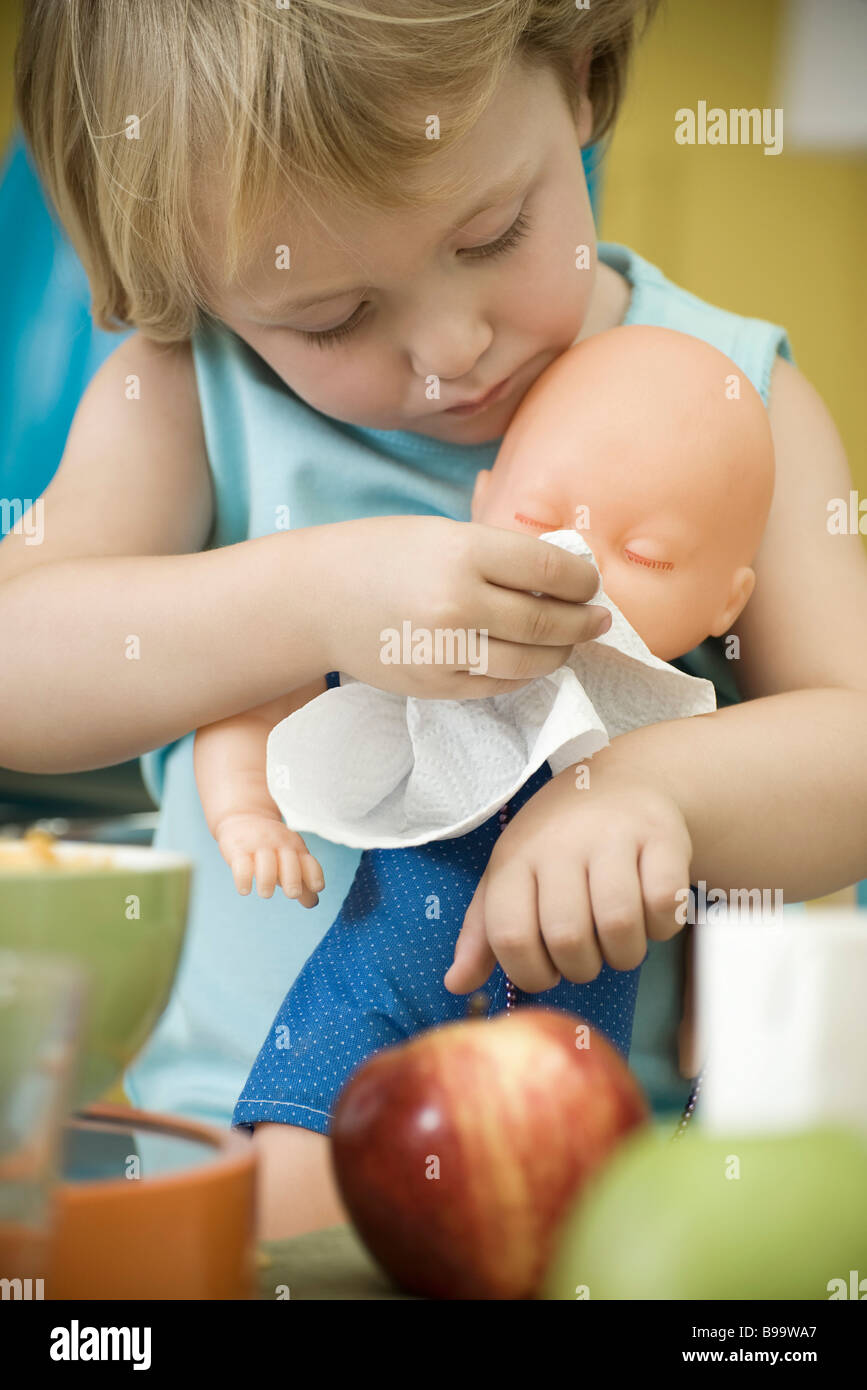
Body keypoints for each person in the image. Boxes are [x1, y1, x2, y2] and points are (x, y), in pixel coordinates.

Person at [3, 2, 866, 1243]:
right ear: (199, 283)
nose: (451, 353)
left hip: (612, 1192)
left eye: (494, 232)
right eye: (332, 319)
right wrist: (316, 595)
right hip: (248, 1182)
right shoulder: (189, 388)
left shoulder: (730, 395)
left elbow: (854, 741)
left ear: (577, 78)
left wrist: (650, 790)